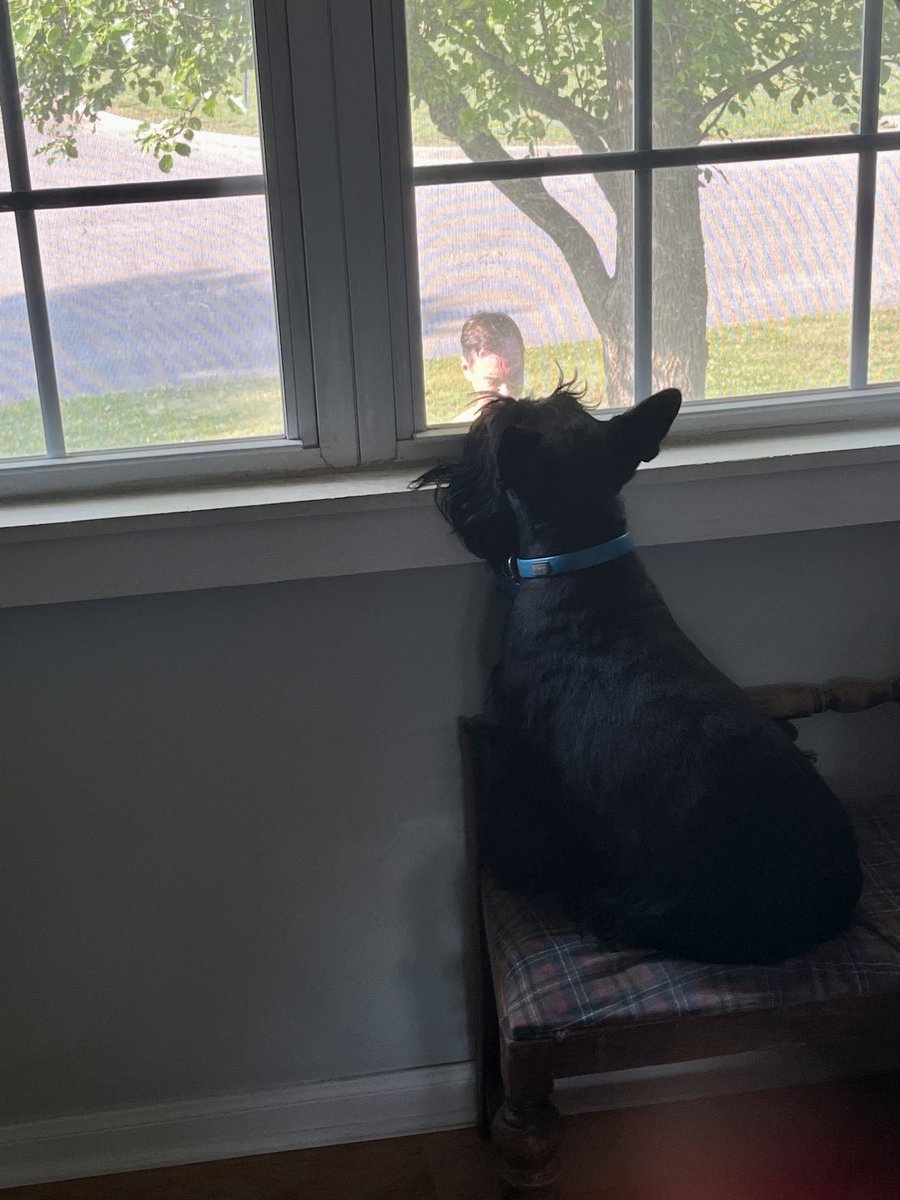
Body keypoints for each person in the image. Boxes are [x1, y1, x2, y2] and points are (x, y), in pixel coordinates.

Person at [453, 311, 526, 422]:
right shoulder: (456, 433)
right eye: (493, 382)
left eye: (514, 377)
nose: (507, 394)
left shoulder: (545, 427)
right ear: (466, 369)